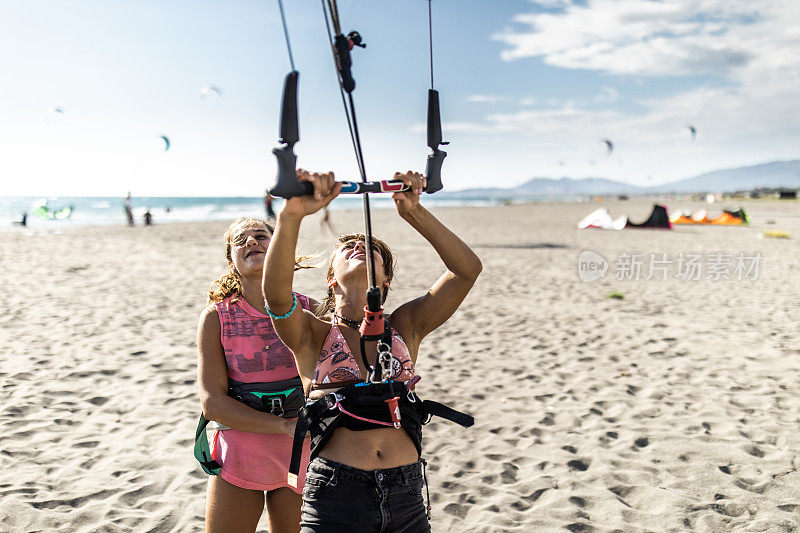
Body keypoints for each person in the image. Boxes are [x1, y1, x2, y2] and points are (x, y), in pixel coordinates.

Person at [263, 170, 482, 532]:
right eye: (348, 248)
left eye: (374, 251)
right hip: (336, 495)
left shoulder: (405, 325)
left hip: (405, 493)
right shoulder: (312, 334)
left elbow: (466, 270)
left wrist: (414, 212)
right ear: (331, 278)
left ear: (386, 281)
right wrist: (292, 215)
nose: (360, 247)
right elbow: (276, 297)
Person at [197, 217, 315, 533]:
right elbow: (213, 404)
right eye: (241, 240)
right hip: (239, 451)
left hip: (301, 452)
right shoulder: (216, 317)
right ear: (231, 261)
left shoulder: (310, 309)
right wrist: (281, 426)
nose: (251, 242)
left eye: (261, 236)